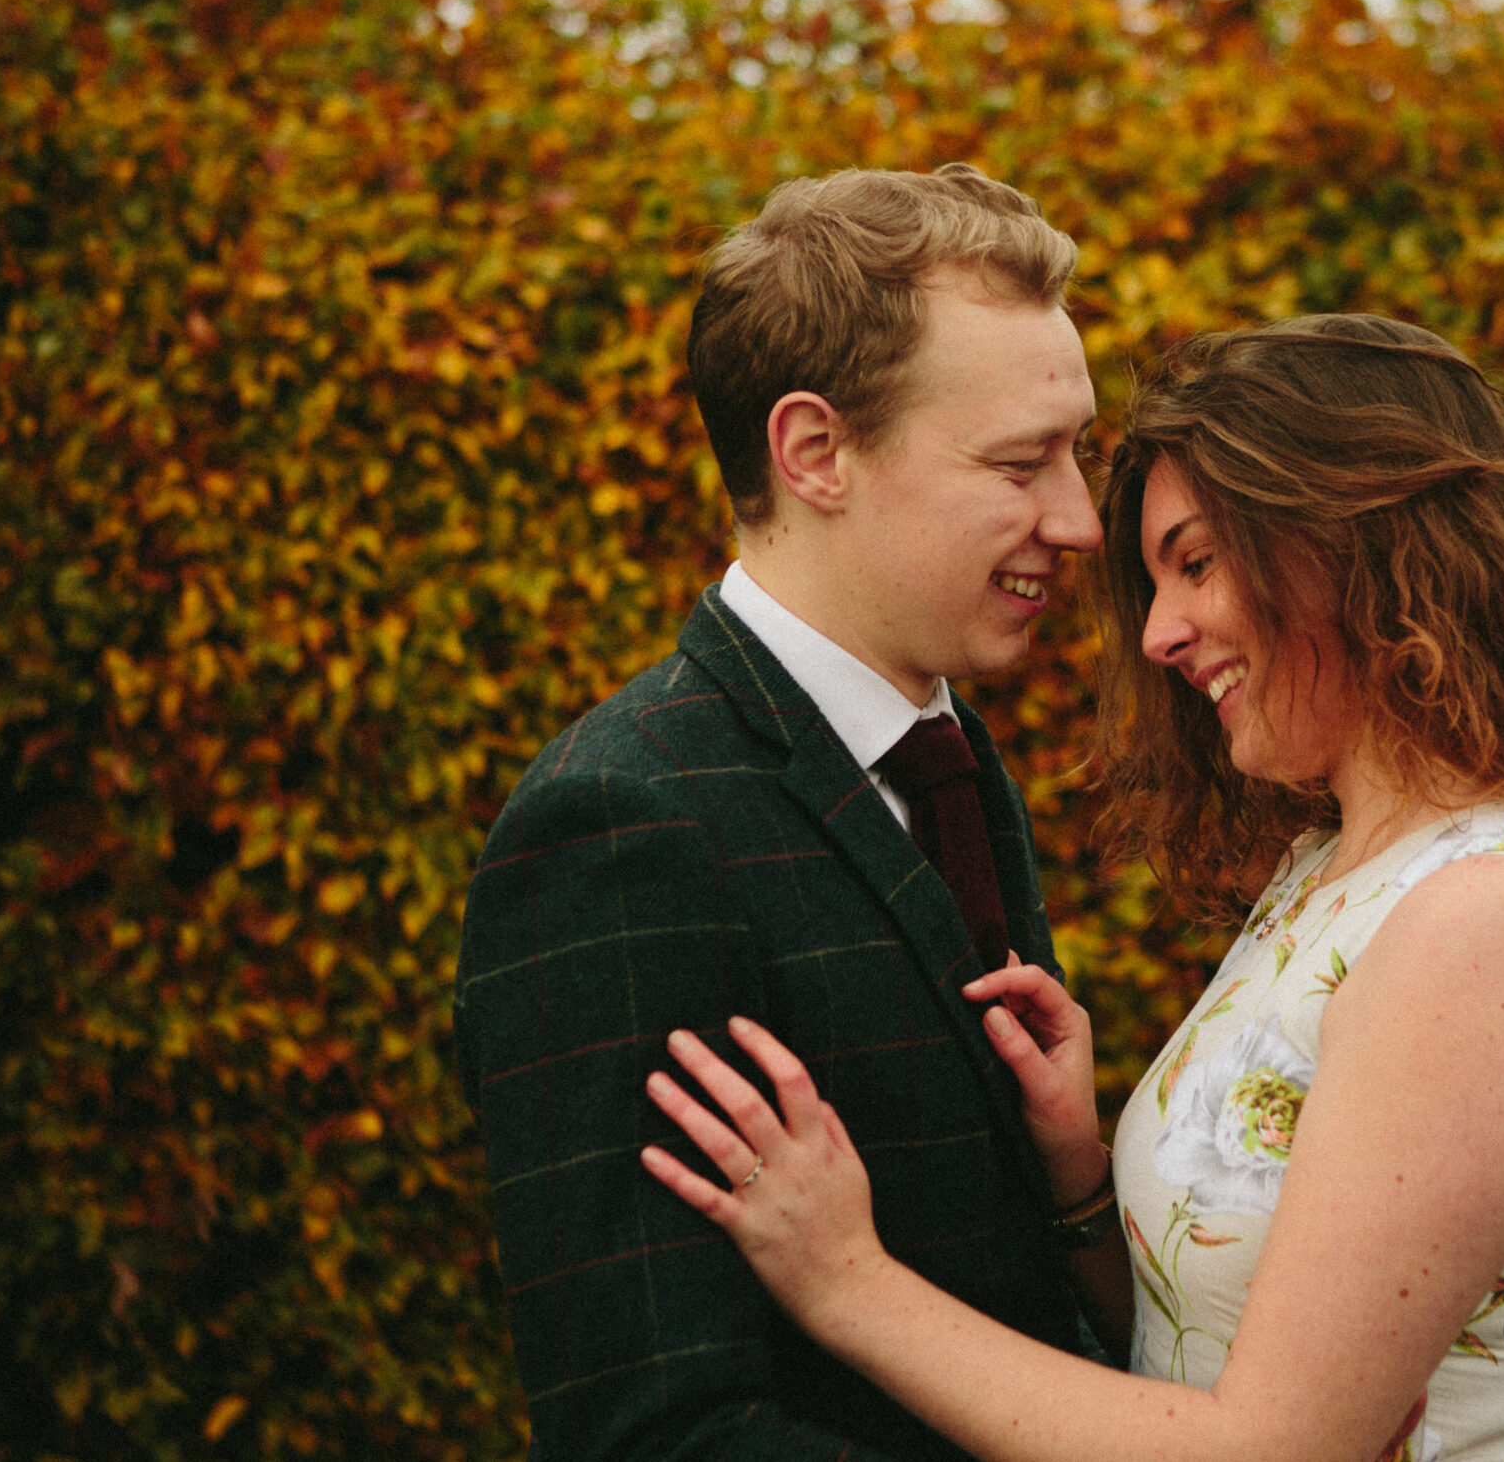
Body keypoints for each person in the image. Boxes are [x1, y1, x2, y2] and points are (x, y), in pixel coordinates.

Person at [639, 315, 1504, 1462]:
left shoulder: (1486, 920)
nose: (1161, 633)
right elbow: (1207, 1354)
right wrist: (1077, 1172)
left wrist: (846, 1284)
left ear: (1359, 543)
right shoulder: (1335, 873)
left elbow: (1266, 1446)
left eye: (1198, 563)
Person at [454, 164, 1113, 1461]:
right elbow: (653, 1433)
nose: (1081, 517)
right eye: (1021, 461)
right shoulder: (619, 828)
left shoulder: (950, 754)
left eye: (1076, 451)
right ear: (816, 452)